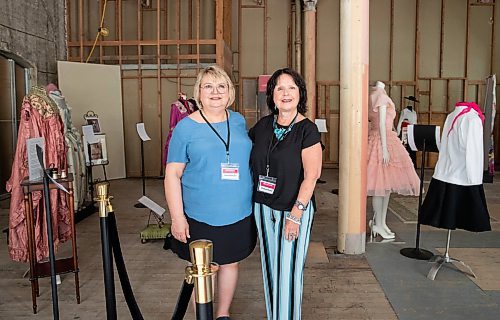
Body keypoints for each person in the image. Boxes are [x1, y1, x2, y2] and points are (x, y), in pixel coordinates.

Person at [164, 65, 255, 320]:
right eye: (208, 87)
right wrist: (177, 217)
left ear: (230, 92)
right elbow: (172, 174)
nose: (215, 92)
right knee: (206, 269)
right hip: (201, 214)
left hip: (239, 211)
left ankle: (223, 314)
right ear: (199, 94)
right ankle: (203, 316)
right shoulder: (185, 128)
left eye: (221, 86)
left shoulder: (238, 121)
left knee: (231, 263)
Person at [249, 68, 322, 320]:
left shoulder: (307, 130)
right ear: (272, 95)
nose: (285, 93)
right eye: (279, 88)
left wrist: (296, 214)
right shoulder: (262, 127)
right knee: (270, 270)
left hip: (293, 209)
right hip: (263, 207)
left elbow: (311, 176)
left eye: (291, 87)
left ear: (300, 93)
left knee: (288, 274)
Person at [367, 81, 420, 240]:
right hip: (383, 140)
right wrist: (384, 148)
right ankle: (378, 223)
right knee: (380, 185)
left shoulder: (372, 96)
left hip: (382, 137)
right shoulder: (381, 97)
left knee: (385, 186)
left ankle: (381, 223)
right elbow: (382, 124)